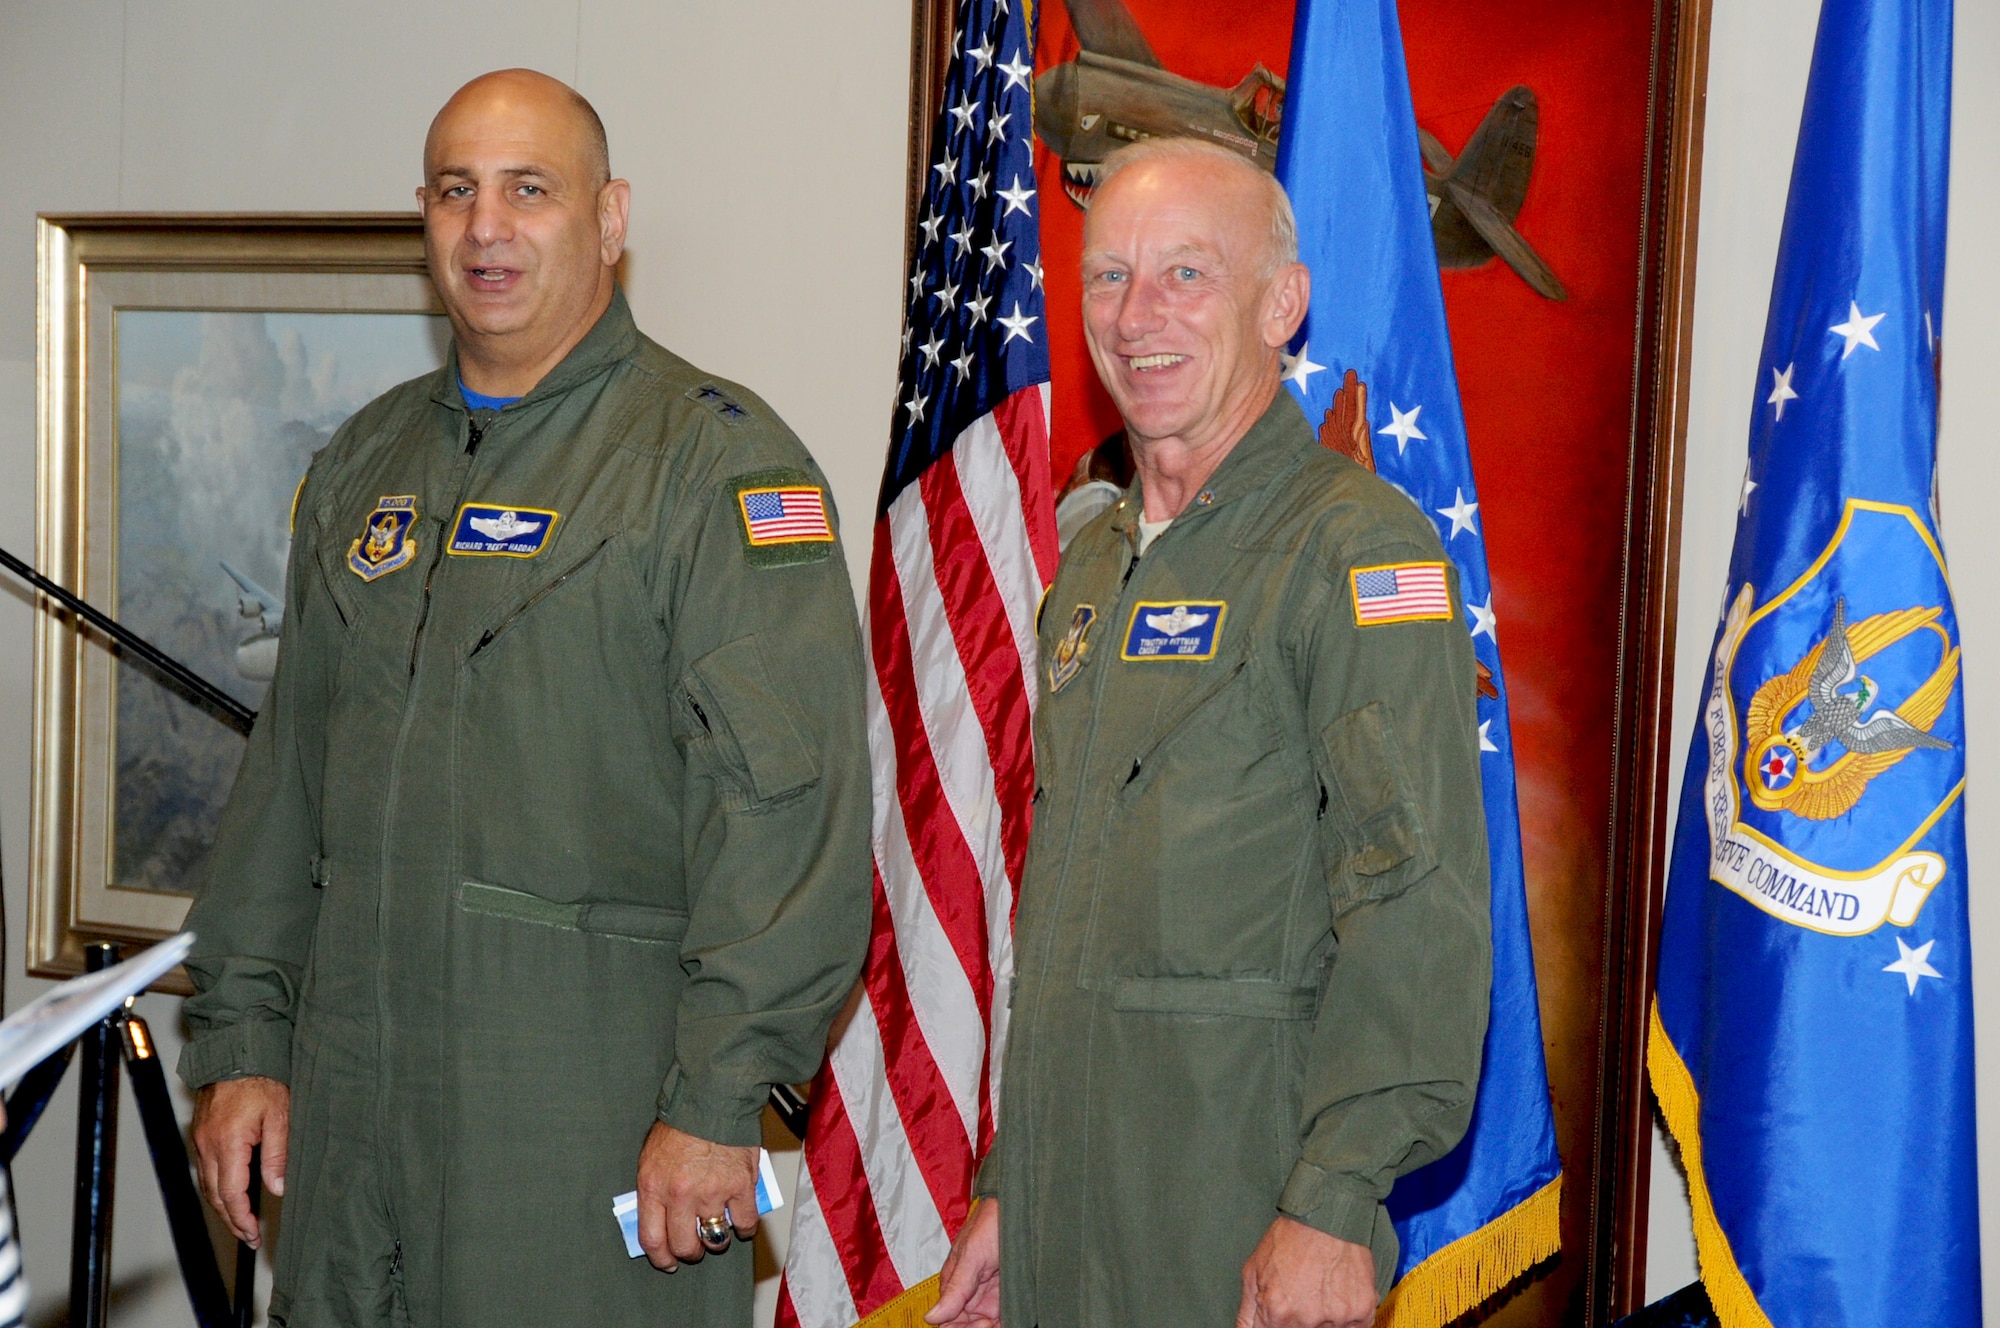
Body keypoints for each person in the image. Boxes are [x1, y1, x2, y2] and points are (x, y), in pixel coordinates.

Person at [179, 69, 871, 1327]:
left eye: (527, 190)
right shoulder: (364, 463)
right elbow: (285, 789)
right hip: (351, 1144)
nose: (484, 227)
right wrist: (240, 1044)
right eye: (454, 192)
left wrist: (720, 1101)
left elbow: (787, 819)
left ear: (608, 220)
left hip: (588, 1137)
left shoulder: (715, 466)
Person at [928, 139, 1493, 1328]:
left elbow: (1413, 906)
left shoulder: (1356, 552)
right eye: (1108, 276)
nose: (1138, 316)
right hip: (1071, 1215)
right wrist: (1010, 1188)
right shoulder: (1089, 566)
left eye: (1186, 273)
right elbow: (1072, 918)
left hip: (1241, 1213)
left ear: (1279, 303)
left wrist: (1335, 1200)